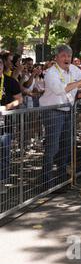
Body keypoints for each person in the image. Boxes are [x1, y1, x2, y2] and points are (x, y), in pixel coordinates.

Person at [39, 45, 81, 186]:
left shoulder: (73, 69)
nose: (67, 58)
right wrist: (80, 83)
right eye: (63, 56)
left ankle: (61, 178)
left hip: (68, 111)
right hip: (52, 112)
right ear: (56, 57)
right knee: (52, 147)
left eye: (69, 56)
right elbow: (60, 90)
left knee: (66, 146)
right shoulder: (51, 73)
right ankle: (46, 181)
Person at [0, 56, 23, 194]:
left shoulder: (10, 81)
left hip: (5, 124)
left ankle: (2, 181)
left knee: (3, 153)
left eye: (1, 64)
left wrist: (7, 107)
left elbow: (20, 99)